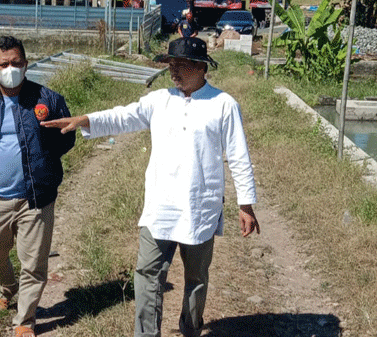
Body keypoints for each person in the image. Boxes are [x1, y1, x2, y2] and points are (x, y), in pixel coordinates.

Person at [41, 37, 260, 337]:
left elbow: (238, 155)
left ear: (200, 67)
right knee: (147, 275)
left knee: (196, 277)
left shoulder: (223, 105)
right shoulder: (160, 100)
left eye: (180, 65)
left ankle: (191, 328)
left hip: (200, 208)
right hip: (161, 207)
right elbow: (124, 116)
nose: (173, 72)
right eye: (170, 65)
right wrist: (86, 120)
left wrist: (245, 205)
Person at [0, 36, 76, 337]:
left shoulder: (48, 100)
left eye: (17, 63)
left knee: (34, 264)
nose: (12, 69)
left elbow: (66, 138)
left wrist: (41, 163)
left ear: (26, 64)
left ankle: (25, 321)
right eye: (5, 64)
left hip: (35, 198)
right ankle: (8, 286)